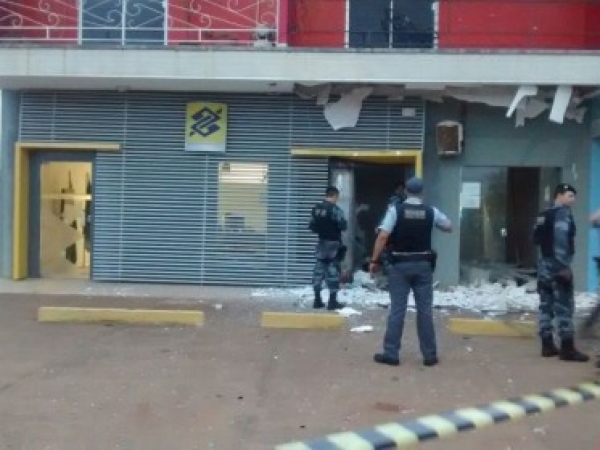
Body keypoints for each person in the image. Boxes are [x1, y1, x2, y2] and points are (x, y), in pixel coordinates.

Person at [369, 177, 452, 367]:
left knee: (397, 310)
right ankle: (429, 355)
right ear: (422, 192)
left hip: (400, 266)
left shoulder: (395, 210)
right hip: (423, 265)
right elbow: (448, 226)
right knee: (425, 311)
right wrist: (432, 223)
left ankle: (391, 354)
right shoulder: (431, 211)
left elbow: (383, 236)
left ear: (405, 191)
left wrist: (374, 260)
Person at [533, 183, 588, 362]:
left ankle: (547, 344)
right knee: (564, 305)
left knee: (546, 304)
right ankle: (567, 347)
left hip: (544, 264)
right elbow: (561, 240)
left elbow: (536, 238)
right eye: (570, 196)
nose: (573, 200)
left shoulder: (543, 214)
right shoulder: (562, 214)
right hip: (558, 265)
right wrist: (563, 266)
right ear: (559, 195)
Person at [308, 186, 348, 311]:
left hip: (321, 243)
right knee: (333, 273)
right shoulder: (335, 210)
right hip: (333, 245)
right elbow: (343, 225)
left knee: (318, 272)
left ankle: (317, 300)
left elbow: (312, 226)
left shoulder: (317, 209)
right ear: (335, 195)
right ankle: (332, 302)